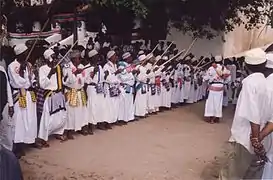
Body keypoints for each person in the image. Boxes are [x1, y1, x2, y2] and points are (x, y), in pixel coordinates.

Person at [220, 48, 268, 180]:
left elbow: (253, 115)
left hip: (245, 138)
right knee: (251, 175)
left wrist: (255, 139)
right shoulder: (265, 82)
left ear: (245, 66)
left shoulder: (249, 83)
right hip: (258, 136)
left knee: (232, 174)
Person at [8, 44, 37, 158]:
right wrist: (22, 72)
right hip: (19, 95)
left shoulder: (28, 64)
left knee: (29, 119)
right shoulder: (12, 66)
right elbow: (17, 82)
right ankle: (16, 146)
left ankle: (26, 142)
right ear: (20, 53)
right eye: (25, 52)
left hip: (29, 95)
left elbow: (32, 78)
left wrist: (33, 82)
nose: (27, 54)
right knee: (18, 121)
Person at [38, 49, 67, 146]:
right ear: (48, 58)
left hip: (59, 94)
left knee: (61, 115)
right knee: (47, 117)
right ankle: (43, 138)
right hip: (49, 95)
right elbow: (42, 84)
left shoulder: (58, 67)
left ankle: (58, 132)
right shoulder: (42, 69)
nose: (55, 58)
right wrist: (50, 73)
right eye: (53, 57)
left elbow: (61, 81)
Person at [63, 50, 89, 139]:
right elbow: (66, 81)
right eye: (79, 58)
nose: (80, 60)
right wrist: (74, 74)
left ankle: (81, 127)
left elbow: (84, 79)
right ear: (74, 59)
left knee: (81, 110)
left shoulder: (81, 66)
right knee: (71, 112)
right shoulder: (67, 67)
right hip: (71, 91)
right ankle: (69, 131)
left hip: (80, 91)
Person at [85, 49, 108, 131]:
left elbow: (102, 79)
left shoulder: (100, 67)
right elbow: (86, 81)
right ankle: (91, 125)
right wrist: (93, 73)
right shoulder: (87, 68)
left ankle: (99, 122)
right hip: (92, 88)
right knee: (92, 107)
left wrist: (105, 75)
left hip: (99, 87)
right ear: (92, 58)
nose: (98, 57)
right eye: (96, 56)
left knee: (101, 106)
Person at [203, 55, 230, 123]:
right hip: (220, 87)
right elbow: (228, 79)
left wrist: (205, 78)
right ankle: (217, 117)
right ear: (221, 60)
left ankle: (211, 118)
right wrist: (223, 82)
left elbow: (206, 78)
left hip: (213, 86)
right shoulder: (224, 68)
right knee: (218, 102)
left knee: (211, 102)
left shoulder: (211, 68)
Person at [103, 51, 121, 126]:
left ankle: (114, 119)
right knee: (109, 105)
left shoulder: (115, 65)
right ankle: (107, 122)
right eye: (114, 56)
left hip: (115, 86)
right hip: (109, 87)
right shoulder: (106, 66)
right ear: (110, 57)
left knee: (115, 104)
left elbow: (117, 77)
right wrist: (116, 73)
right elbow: (106, 78)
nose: (116, 57)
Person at [0, 65, 14, 151]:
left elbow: (7, 88)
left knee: (6, 131)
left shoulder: (1, 69)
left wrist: (11, 104)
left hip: (3, 105)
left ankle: (7, 153)